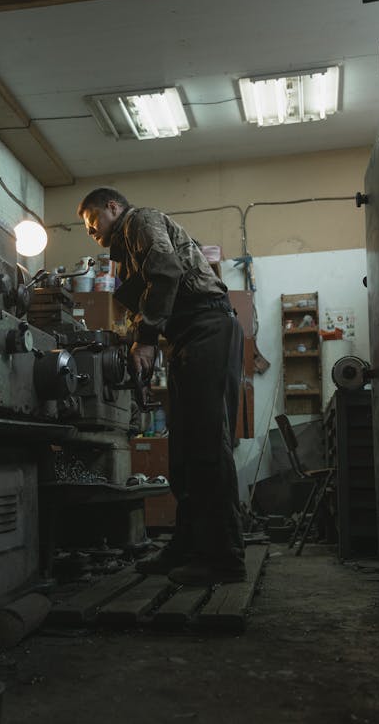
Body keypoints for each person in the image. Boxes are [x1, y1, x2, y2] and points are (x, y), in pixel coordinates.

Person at [78, 187, 246, 586]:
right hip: (187, 338)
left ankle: (224, 557)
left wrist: (148, 338)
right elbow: (152, 295)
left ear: (113, 208)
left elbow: (167, 272)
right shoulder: (125, 253)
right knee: (184, 452)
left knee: (206, 445)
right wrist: (145, 336)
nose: (90, 231)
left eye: (92, 221)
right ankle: (188, 546)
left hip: (208, 326)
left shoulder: (140, 220)